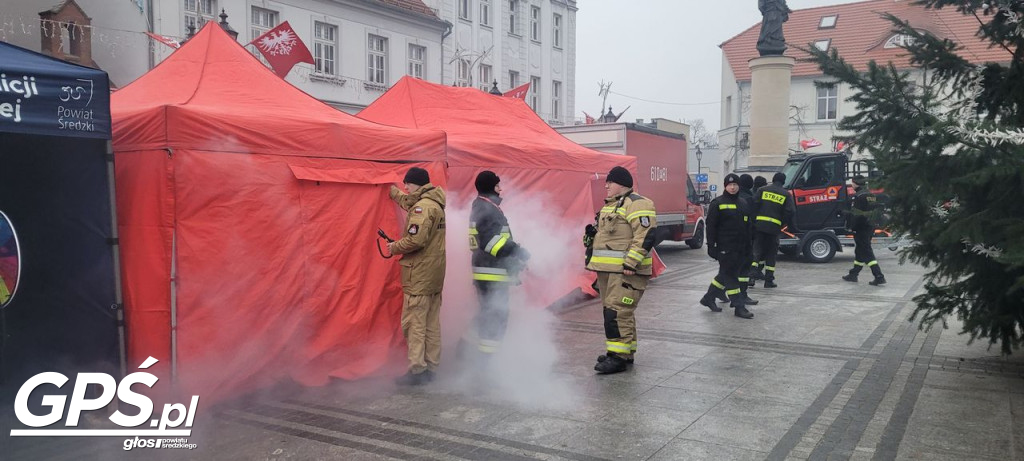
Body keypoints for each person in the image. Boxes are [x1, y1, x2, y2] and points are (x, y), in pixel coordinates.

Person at [586, 166, 657, 374]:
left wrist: (631, 263)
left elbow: (645, 235)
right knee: (619, 312)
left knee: (616, 312)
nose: (606, 185)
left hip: (626, 272)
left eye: (610, 182)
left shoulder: (638, 203)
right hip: (608, 271)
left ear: (621, 183)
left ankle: (617, 357)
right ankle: (624, 352)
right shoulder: (610, 206)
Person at [388, 167, 447, 385]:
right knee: (432, 323)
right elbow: (408, 201)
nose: (405, 187)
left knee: (414, 324)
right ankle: (431, 367)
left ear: (418, 185)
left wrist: (393, 247)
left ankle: (417, 372)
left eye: (408, 184)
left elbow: (415, 240)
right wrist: (393, 192)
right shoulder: (434, 203)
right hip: (433, 275)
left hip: (419, 275)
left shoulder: (422, 208)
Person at [467, 171, 529, 360]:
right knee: (495, 318)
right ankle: (486, 364)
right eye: (497, 186)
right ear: (490, 188)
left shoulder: (482, 206)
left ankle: (465, 350)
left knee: (487, 314)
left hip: (487, 272)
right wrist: (516, 252)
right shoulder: (488, 209)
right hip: (491, 275)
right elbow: (491, 241)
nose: (500, 189)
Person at [700, 174, 755, 319]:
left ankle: (708, 298)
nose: (732, 187)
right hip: (725, 248)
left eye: (735, 185)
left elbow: (748, 226)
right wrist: (711, 246)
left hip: (741, 248)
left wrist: (750, 245)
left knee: (725, 274)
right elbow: (711, 226)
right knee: (731, 276)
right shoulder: (717, 203)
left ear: (738, 186)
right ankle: (739, 306)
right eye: (730, 185)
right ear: (725, 186)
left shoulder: (743, 203)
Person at [751, 173, 795, 288]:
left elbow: (753, 204)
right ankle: (768, 280)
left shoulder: (762, 190)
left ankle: (751, 278)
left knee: (756, 251)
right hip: (774, 229)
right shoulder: (786, 194)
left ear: (773, 180)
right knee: (771, 253)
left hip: (759, 226)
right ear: (783, 182)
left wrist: (755, 220)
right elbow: (790, 211)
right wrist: (782, 222)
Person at [842, 176, 886, 285]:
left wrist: (851, 227)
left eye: (852, 183)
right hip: (870, 227)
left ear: (856, 184)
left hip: (861, 228)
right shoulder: (871, 195)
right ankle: (854, 274)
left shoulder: (858, 196)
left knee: (866, 251)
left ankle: (879, 276)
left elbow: (856, 215)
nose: (851, 185)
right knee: (860, 251)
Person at [735, 174, 758, 306]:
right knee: (743, 269)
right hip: (745, 239)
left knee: (728, 269)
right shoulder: (749, 199)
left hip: (731, 239)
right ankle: (742, 295)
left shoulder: (732, 198)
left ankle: (713, 293)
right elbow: (752, 220)